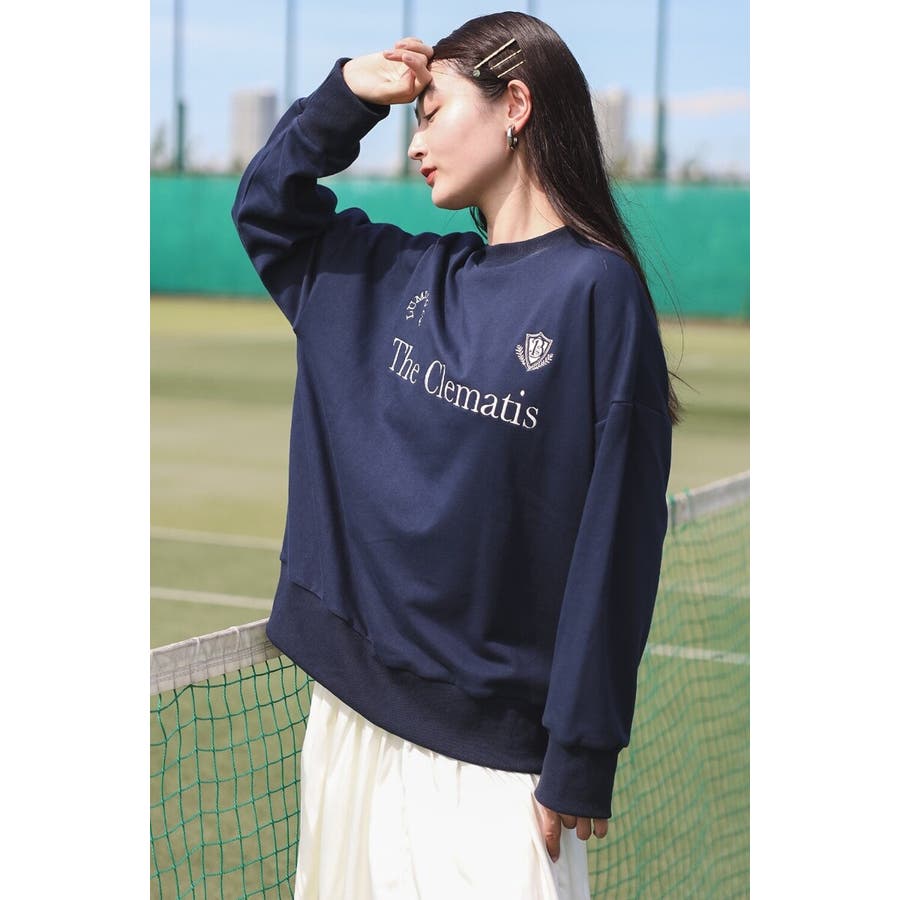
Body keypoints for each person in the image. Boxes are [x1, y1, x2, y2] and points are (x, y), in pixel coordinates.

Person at [232, 11, 679, 899]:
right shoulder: (397, 277)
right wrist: (350, 94)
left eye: (430, 113)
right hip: (349, 725)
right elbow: (268, 209)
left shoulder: (597, 290)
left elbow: (619, 533)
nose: (414, 144)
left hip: (495, 771)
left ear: (515, 104)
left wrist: (581, 750)